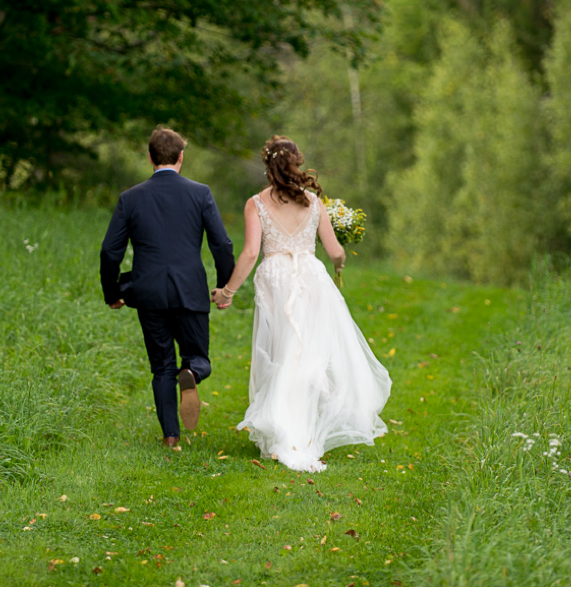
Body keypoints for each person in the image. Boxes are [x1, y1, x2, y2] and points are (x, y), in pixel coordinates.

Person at [212, 136, 391, 472]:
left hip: (277, 277)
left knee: (284, 351)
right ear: (296, 163)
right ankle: (300, 435)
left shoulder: (257, 203)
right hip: (310, 277)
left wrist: (228, 291)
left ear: (268, 167)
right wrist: (338, 266)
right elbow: (335, 251)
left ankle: (286, 433)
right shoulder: (313, 201)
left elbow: (251, 253)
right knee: (306, 352)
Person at [101, 127, 236, 448]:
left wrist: (112, 292)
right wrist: (224, 286)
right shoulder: (200, 193)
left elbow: (110, 251)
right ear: (181, 157)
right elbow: (222, 244)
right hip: (190, 290)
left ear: (150, 158)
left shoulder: (130, 198)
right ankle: (192, 371)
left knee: (162, 366)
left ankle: (170, 437)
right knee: (198, 357)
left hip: (148, 293)